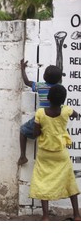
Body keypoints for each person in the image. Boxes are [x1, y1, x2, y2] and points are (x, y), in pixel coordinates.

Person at [29, 84, 80, 221]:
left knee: (43, 181)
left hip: (45, 153)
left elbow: (35, 133)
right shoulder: (66, 111)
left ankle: (45, 216)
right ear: (63, 100)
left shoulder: (40, 113)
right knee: (69, 181)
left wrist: (42, 129)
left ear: (49, 98)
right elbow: (76, 115)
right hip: (61, 153)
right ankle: (76, 215)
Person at [18, 59, 62, 165]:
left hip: (41, 119)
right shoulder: (59, 88)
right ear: (59, 79)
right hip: (55, 120)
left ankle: (23, 156)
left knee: (23, 131)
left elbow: (27, 82)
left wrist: (22, 69)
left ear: (44, 77)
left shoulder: (40, 86)